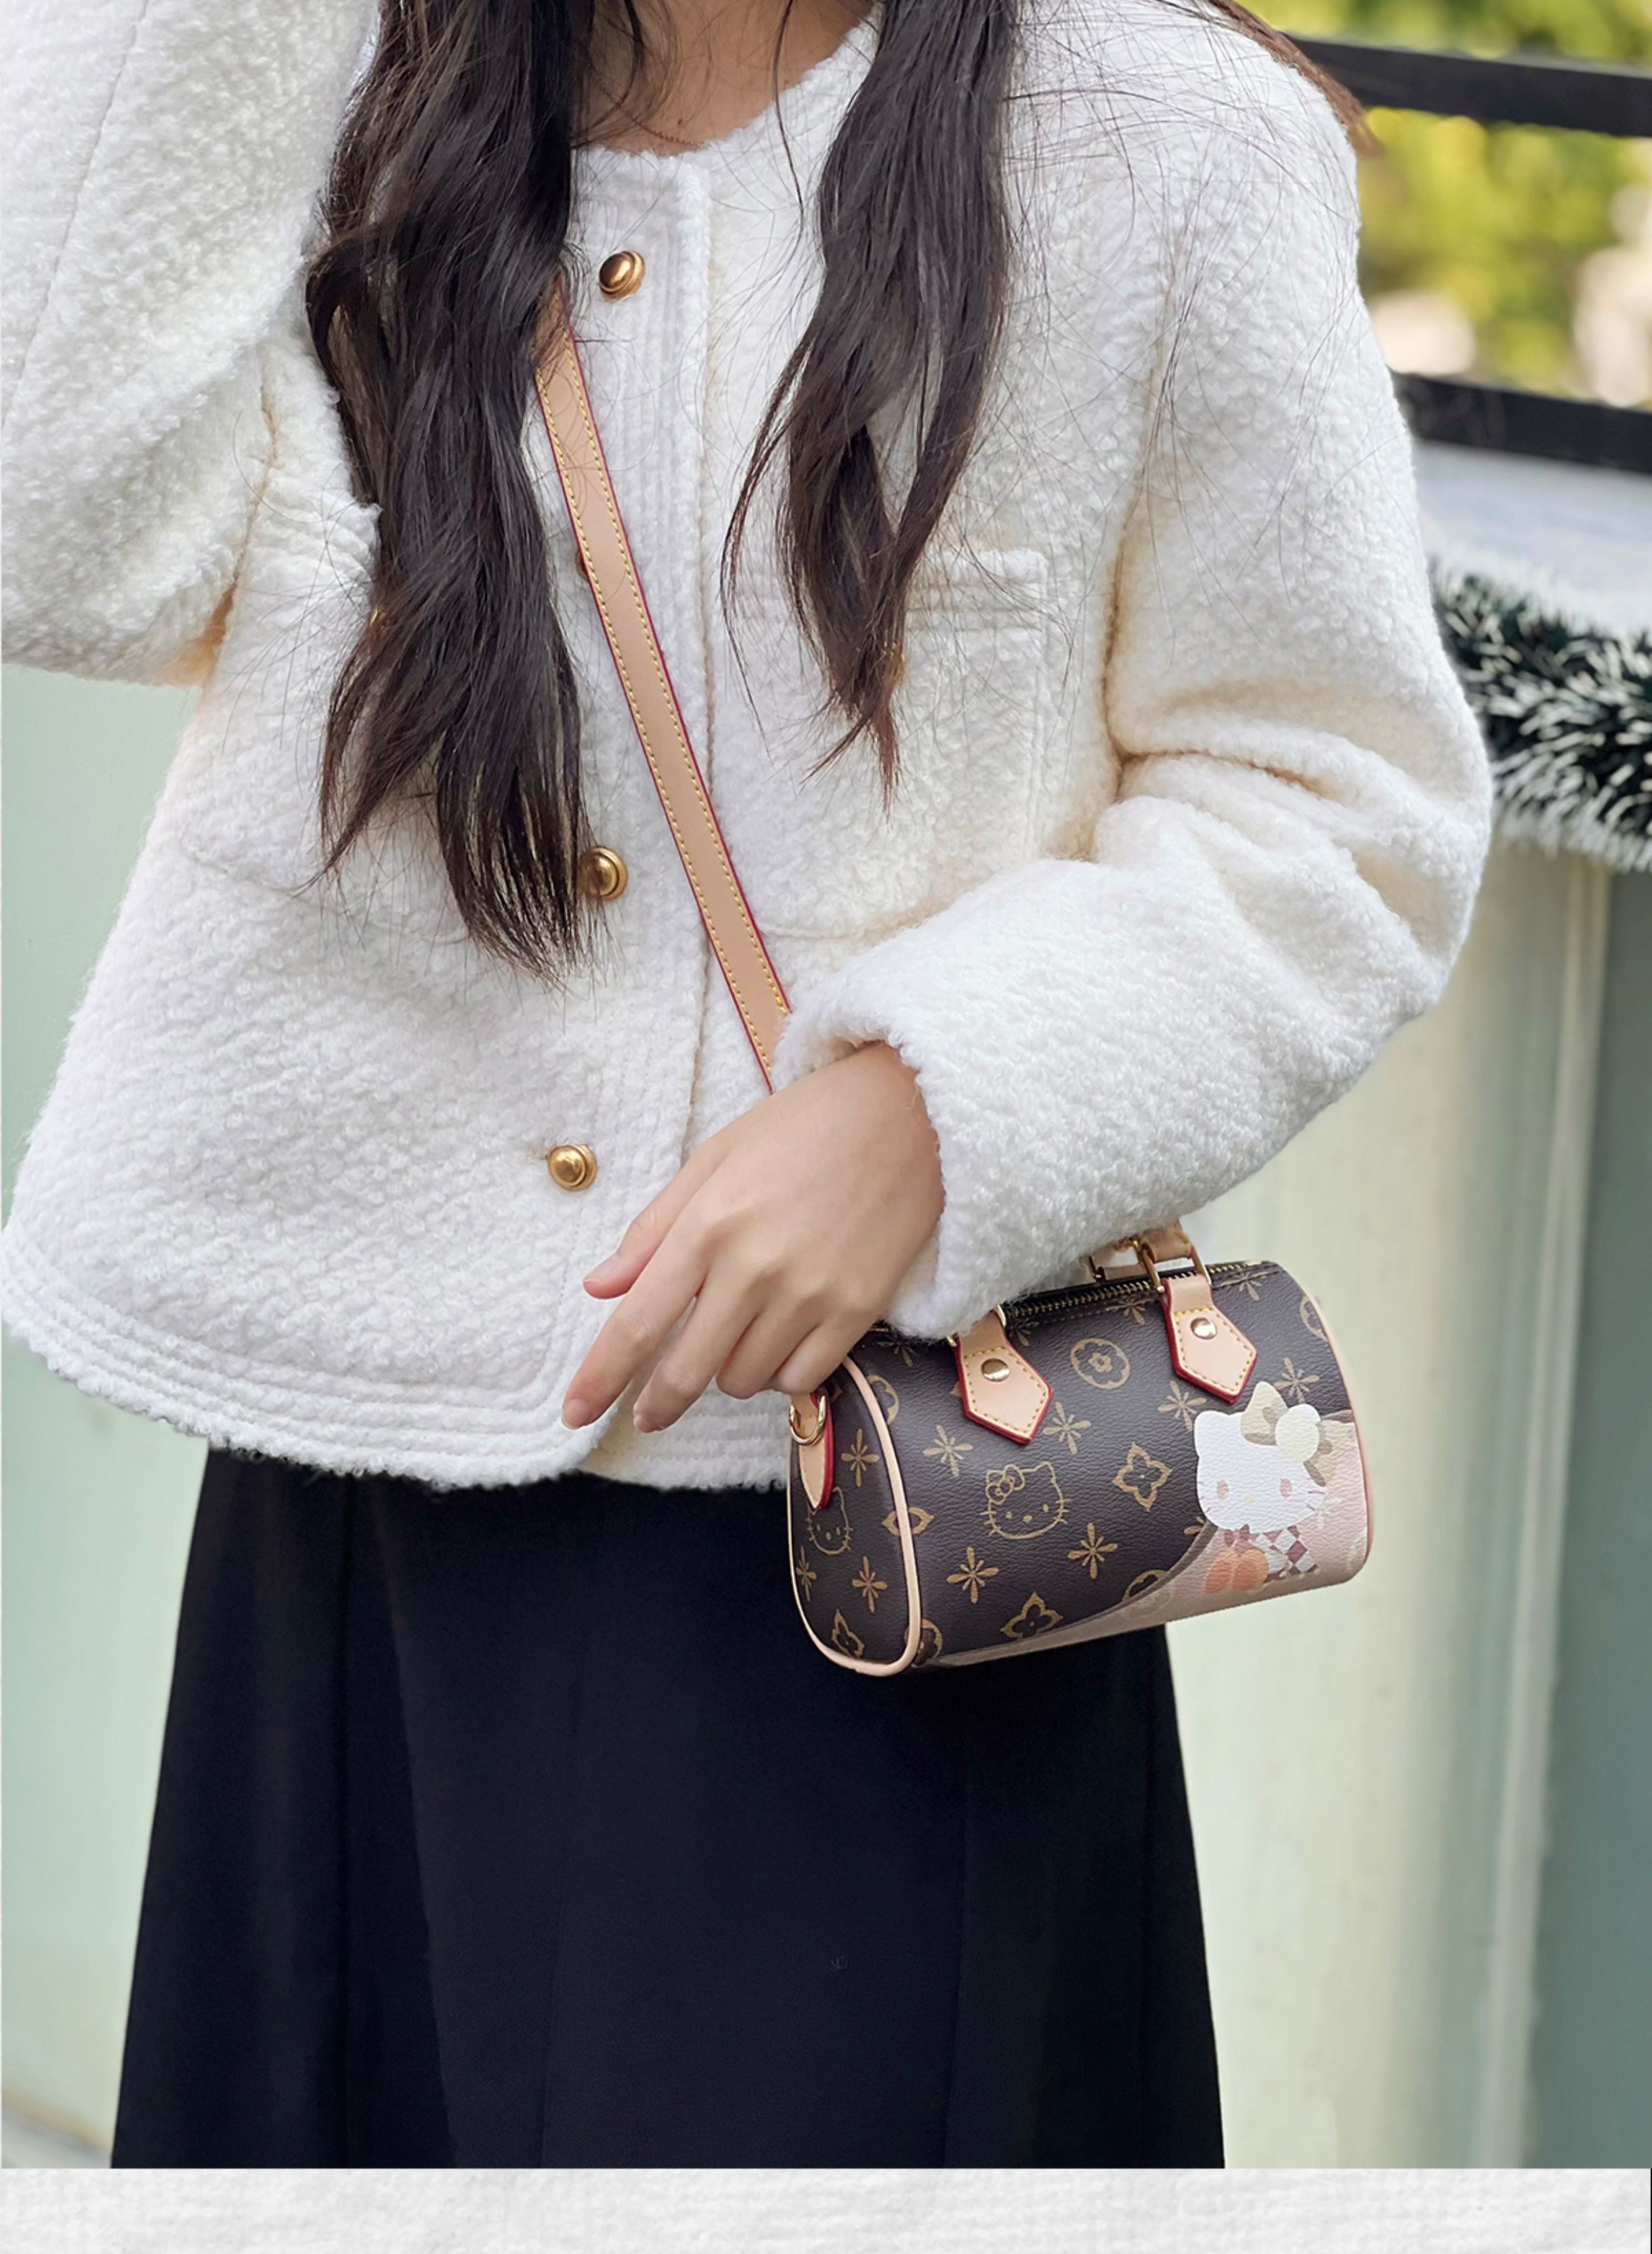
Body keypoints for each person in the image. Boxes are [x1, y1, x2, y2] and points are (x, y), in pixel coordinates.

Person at [1, 0, 1489, 2167]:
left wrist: (932, 1108)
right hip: (351, 1513)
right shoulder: (335, 82)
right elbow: (53, 543)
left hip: (886, 1533)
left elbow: (1341, 803)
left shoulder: (1162, 147)